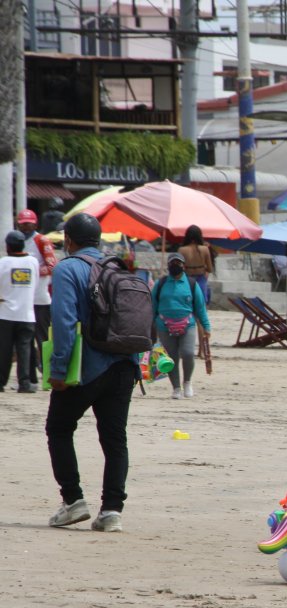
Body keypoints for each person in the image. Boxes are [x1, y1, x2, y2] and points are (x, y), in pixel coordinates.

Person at [45, 213, 141, 533]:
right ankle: (112, 511)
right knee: (115, 439)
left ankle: (73, 501)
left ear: (69, 241)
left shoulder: (67, 269)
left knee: (59, 428)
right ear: (98, 240)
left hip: (87, 366)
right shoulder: (119, 267)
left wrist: (58, 369)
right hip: (125, 364)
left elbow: (64, 323)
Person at [151, 253, 211, 399]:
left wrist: (206, 326)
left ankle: (187, 382)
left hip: (187, 324)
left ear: (183, 266)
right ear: (168, 265)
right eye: (172, 263)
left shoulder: (191, 284)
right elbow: (152, 307)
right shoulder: (161, 284)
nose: (175, 265)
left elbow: (200, 307)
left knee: (188, 353)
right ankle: (176, 388)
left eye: (178, 263)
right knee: (171, 359)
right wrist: (148, 326)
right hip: (164, 326)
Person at [17, 208, 57, 383]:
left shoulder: (41, 240)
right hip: (23, 299)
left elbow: (52, 266)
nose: (26, 227)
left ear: (35, 223)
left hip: (40, 298)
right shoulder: (16, 241)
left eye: (29, 224)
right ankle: (31, 376)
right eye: (23, 224)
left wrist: (29, 271)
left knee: (43, 338)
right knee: (25, 340)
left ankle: (48, 371)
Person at [0, 230, 40, 393]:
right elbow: (36, 284)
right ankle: (24, 383)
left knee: (4, 350)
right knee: (25, 349)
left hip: (6, 313)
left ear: (8, 246)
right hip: (27, 313)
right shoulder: (33, 262)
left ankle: (1, 381)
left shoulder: (3, 262)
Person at [177, 225, 215, 305]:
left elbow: (179, 268)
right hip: (200, 277)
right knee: (201, 302)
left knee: (187, 302)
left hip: (187, 278)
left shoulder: (181, 250)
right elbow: (210, 269)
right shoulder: (205, 249)